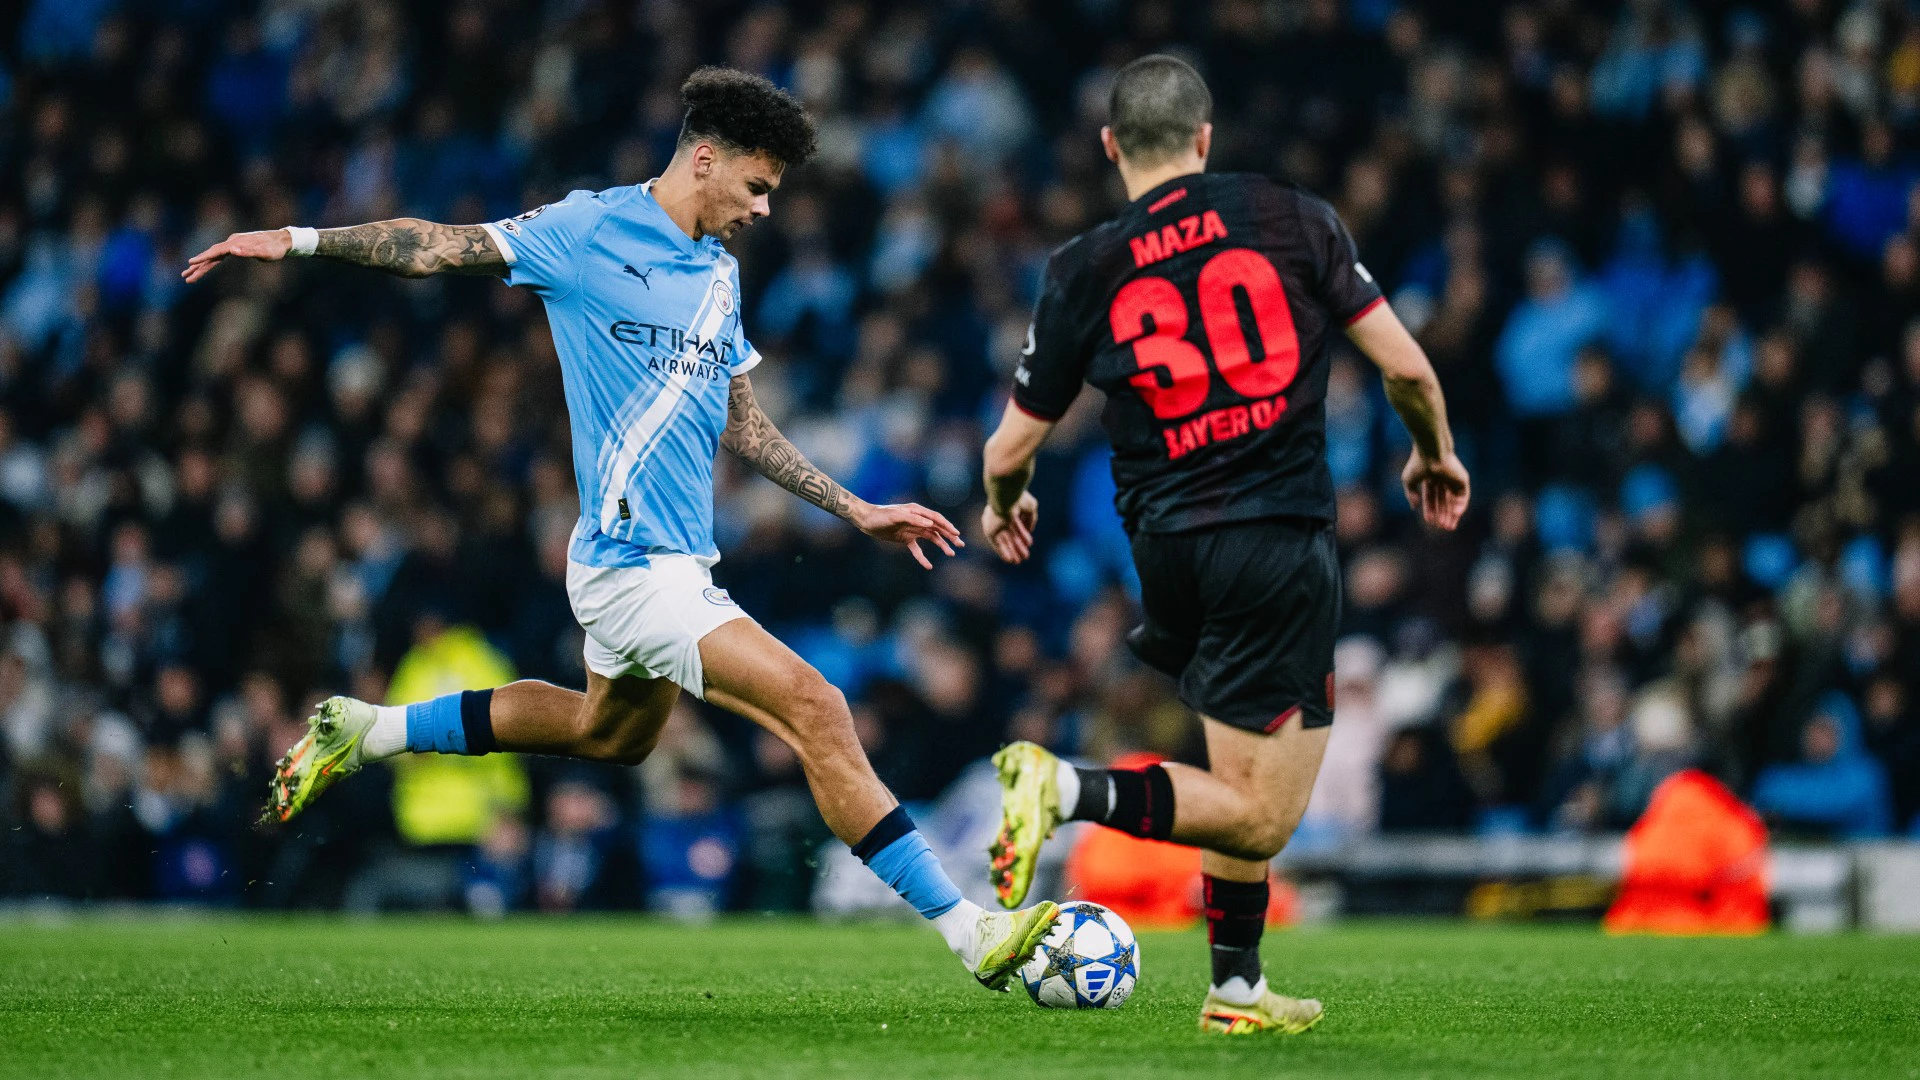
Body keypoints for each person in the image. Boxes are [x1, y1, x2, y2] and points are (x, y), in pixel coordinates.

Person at [181, 67, 1057, 988]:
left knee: (610, 735)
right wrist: (297, 239)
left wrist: (854, 507)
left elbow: (739, 418)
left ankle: (369, 732)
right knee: (817, 708)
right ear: (706, 158)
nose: (764, 210)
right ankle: (972, 932)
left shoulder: (718, 275)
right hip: (638, 567)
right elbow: (438, 247)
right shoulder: (588, 230)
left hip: (655, 564)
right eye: (757, 187)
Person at [979, 55, 1469, 1035]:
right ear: (1206, 140)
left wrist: (1007, 503)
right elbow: (1409, 371)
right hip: (1273, 539)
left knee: (1233, 777)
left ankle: (1236, 990)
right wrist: (1434, 456)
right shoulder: (1291, 219)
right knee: (1265, 813)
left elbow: (1009, 446)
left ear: (1112, 146)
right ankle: (1064, 783)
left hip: (1164, 552)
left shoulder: (1084, 266)